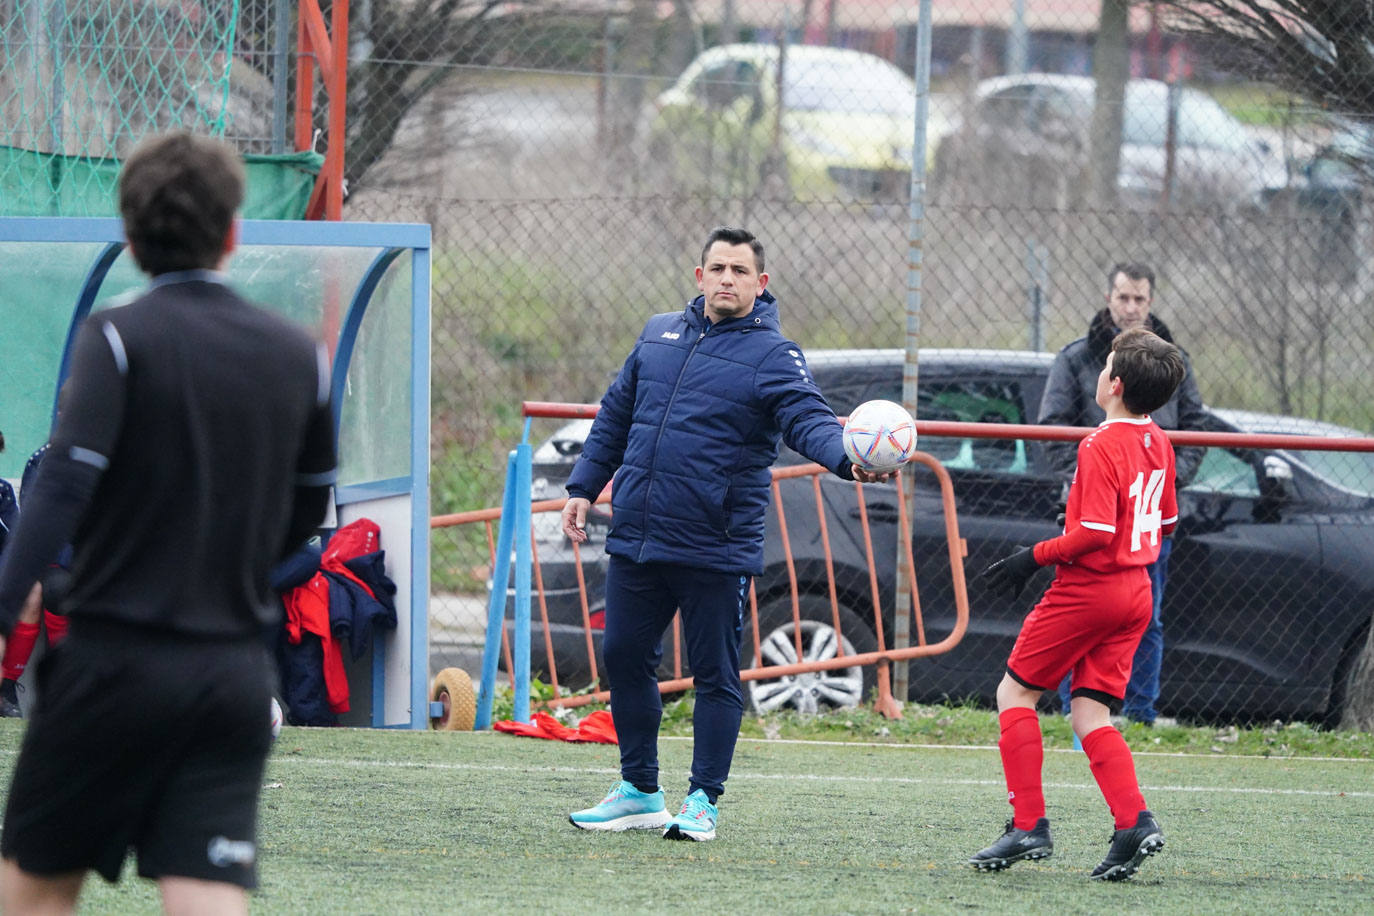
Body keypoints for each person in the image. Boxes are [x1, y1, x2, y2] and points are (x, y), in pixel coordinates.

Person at [0, 130, 336, 913]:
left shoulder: (116, 336)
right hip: (228, 677)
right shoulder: (298, 355)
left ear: (132, 235)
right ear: (232, 232)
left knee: (36, 894)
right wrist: (234, 572)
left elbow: (58, 494)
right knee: (206, 897)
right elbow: (308, 509)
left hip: (110, 669)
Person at [560, 226, 891, 842]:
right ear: (699, 276)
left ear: (760, 284)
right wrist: (583, 486)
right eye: (717, 268)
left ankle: (702, 801)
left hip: (715, 544)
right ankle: (639, 790)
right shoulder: (657, 334)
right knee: (624, 657)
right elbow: (615, 413)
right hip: (638, 534)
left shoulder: (773, 354)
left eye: (740, 271)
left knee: (715, 674)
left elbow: (807, 418)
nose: (727, 280)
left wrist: (848, 458)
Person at [970, 327, 1184, 881]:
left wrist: (1030, 558)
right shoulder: (1158, 439)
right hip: (1137, 589)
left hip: (1090, 589)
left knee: (1014, 692)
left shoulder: (1099, 444)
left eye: (1105, 364)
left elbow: (1091, 532)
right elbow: (1165, 521)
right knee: (1090, 712)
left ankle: (1028, 825)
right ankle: (1133, 820)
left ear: (1112, 384)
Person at [1038, 262, 1206, 726]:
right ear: (1109, 298)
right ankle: (1077, 712)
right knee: (1081, 615)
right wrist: (1091, 481)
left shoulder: (1175, 364)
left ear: (1150, 303)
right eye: (1123, 297)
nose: (1130, 307)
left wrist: (1162, 481)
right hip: (1090, 515)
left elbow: (1196, 427)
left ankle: (1139, 712)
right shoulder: (1076, 359)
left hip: (1148, 517)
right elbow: (1051, 429)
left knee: (1146, 617)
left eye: (1139, 299)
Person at [0, 444, 72, 719]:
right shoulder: (45, 459)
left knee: (33, 591)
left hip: (93, 561)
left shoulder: (2, 491)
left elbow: (14, 542)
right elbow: (41, 525)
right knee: (56, 588)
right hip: (62, 560)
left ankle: (10, 690)